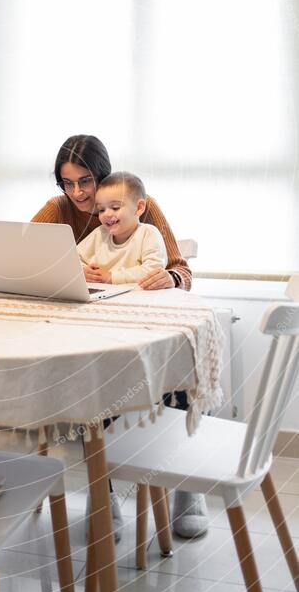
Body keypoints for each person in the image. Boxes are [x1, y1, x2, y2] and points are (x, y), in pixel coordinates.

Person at [32, 135, 208, 541]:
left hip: (143, 319)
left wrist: (171, 276)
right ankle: (102, 493)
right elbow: (29, 254)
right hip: (93, 323)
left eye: (85, 181)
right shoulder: (59, 208)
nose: (77, 192)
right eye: (67, 182)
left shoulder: (138, 205)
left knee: (176, 366)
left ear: (103, 176)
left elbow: (179, 267)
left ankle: (186, 488)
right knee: (94, 378)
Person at [77, 171, 167, 285]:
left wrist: (111, 277)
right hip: (103, 298)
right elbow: (73, 259)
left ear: (139, 207)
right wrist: (84, 271)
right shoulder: (99, 233)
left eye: (115, 207)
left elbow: (154, 271)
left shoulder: (148, 233)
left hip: (138, 299)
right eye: (101, 209)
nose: (107, 214)